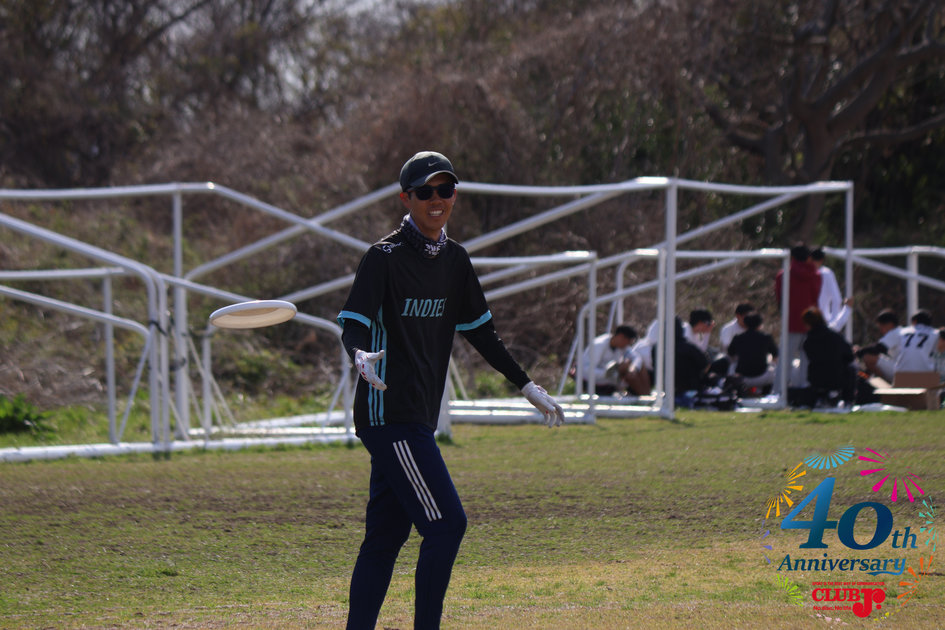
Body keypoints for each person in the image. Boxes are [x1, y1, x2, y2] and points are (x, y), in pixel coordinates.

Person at [337, 150, 565, 630]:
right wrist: (358, 354)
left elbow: (481, 332)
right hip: (388, 413)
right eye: (425, 191)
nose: (436, 199)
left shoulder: (456, 260)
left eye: (445, 189)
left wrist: (525, 384)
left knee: (385, 538)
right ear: (406, 198)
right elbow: (353, 322)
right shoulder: (383, 258)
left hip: (417, 414)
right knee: (446, 525)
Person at [774, 244, 822, 388]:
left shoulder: (783, 275)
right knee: (807, 361)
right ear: (808, 258)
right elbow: (816, 297)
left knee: (785, 361)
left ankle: (779, 391)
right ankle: (805, 390)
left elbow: (780, 299)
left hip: (791, 323)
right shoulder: (816, 275)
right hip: (811, 323)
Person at [802, 307, 856, 405]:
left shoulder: (808, 341)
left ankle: (821, 397)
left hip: (816, 378)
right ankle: (848, 400)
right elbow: (850, 355)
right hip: (837, 377)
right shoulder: (835, 336)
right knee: (851, 368)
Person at [580, 324, 651, 396]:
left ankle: (646, 394)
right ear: (621, 337)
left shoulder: (622, 347)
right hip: (592, 381)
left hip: (610, 379)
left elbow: (637, 358)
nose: (628, 345)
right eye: (628, 341)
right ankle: (643, 395)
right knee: (625, 366)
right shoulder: (599, 345)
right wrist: (608, 373)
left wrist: (633, 368)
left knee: (637, 365)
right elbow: (586, 370)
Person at [727, 312, 779, 395]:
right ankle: (767, 393)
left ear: (745, 324)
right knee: (774, 368)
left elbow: (730, 354)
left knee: (732, 365)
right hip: (762, 377)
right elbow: (776, 356)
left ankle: (736, 392)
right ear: (760, 324)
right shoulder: (766, 337)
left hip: (741, 377)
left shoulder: (738, 338)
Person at [856, 309, 902, 383]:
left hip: (902, 371)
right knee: (875, 356)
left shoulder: (894, 332)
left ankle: (886, 385)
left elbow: (878, 348)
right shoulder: (901, 331)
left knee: (868, 357)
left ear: (890, 324)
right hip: (912, 370)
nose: (880, 330)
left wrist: (859, 351)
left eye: (881, 326)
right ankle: (867, 379)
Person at [811, 248, 843, 325]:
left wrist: (832, 321)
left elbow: (836, 299)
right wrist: (833, 321)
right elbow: (837, 299)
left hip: (808, 321)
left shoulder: (825, 273)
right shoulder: (826, 273)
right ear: (822, 260)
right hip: (822, 320)